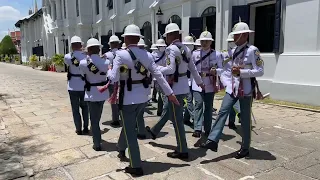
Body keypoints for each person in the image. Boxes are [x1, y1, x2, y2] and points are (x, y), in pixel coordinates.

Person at [107, 24, 179, 176]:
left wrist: (108, 71)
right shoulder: (147, 55)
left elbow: (113, 78)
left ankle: (136, 165)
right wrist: (170, 93)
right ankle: (121, 147)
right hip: (143, 97)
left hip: (127, 98)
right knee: (129, 125)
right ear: (138, 38)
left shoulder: (121, 54)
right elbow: (159, 75)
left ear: (125, 38)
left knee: (130, 131)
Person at [200, 20, 264, 159]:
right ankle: (212, 140)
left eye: (236, 35)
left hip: (246, 90)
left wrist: (242, 72)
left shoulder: (253, 51)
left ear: (244, 35)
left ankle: (245, 147)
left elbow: (260, 71)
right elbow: (225, 69)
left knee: (245, 120)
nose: (234, 38)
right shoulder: (232, 52)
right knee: (223, 111)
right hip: (233, 88)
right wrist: (217, 72)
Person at [146, 22, 204, 159]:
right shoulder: (186, 48)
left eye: (167, 35)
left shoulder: (171, 49)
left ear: (171, 35)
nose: (166, 38)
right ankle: (156, 131)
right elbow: (193, 69)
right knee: (172, 114)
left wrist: (156, 69)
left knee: (177, 121)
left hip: (175, 88)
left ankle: (182, 149)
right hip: (184, 86)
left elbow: (171, 69)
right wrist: (200, 82)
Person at [79, 38, 110, 151]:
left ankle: (97, 143)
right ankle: (97, 139)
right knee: (97, 117)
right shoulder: (106, 62)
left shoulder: (83, 63)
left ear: (89, 49)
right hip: (102, 93)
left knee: (94, 120)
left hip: (91, 93)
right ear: (98, 49)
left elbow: (83, 75)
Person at [191, 30, 223, 138]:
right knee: (198, 104)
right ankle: (197, 128)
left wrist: (216, 71)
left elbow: (222, 69)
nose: (204, 43)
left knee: (209, 107)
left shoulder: (217, 54)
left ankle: (208, 128)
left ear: (210, 42)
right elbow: (190, 68)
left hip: (210, 83)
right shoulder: (194, 54)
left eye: (207, 41)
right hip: (197, 82)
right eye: (202, 41)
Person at [64, 36, 89, 135]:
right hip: (83, 84)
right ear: (81, 45)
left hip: (72, 85)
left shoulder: (67, 56)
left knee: (75, 109)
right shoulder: (86, 56)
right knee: (85, 107)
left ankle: (78, 128)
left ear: (71, 46)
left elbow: (67, 64)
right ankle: (86, 127)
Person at [221, 33, 241, 130]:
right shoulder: (224, 54)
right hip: (228, 80)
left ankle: (232, 122)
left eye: (232, 41)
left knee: (234, 101)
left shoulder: (240, 53)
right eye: (229, 42)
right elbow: (222, 68)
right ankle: (238, 114)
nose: (231, 43)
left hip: (237, 80)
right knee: (231, 101)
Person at [103, 35, 122, 127]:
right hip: (122, 80)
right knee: (122, 100)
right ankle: (123, 117)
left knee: (113, 101)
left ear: (110, 44)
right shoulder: (124, 53)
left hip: (112, 81)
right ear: (118, 44)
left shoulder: (107, 55)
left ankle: (115, 119)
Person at [182, 36, 195, 127]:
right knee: (189, 100)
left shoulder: (194, 54)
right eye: (187, 45)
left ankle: (186, 118)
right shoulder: (181, 55)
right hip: (184, 81)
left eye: (191, 45)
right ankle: (195, 118)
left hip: (193, 82)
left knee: (189, 101)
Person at [152, 39, 167, 116]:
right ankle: (165, 113)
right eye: (160, 46)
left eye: (163, 46)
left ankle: (159, 111)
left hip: (165, 77)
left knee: (161, 96)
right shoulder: (153, 55)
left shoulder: (166, 54)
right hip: (157, 78)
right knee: (164, 96)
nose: (162, 48)